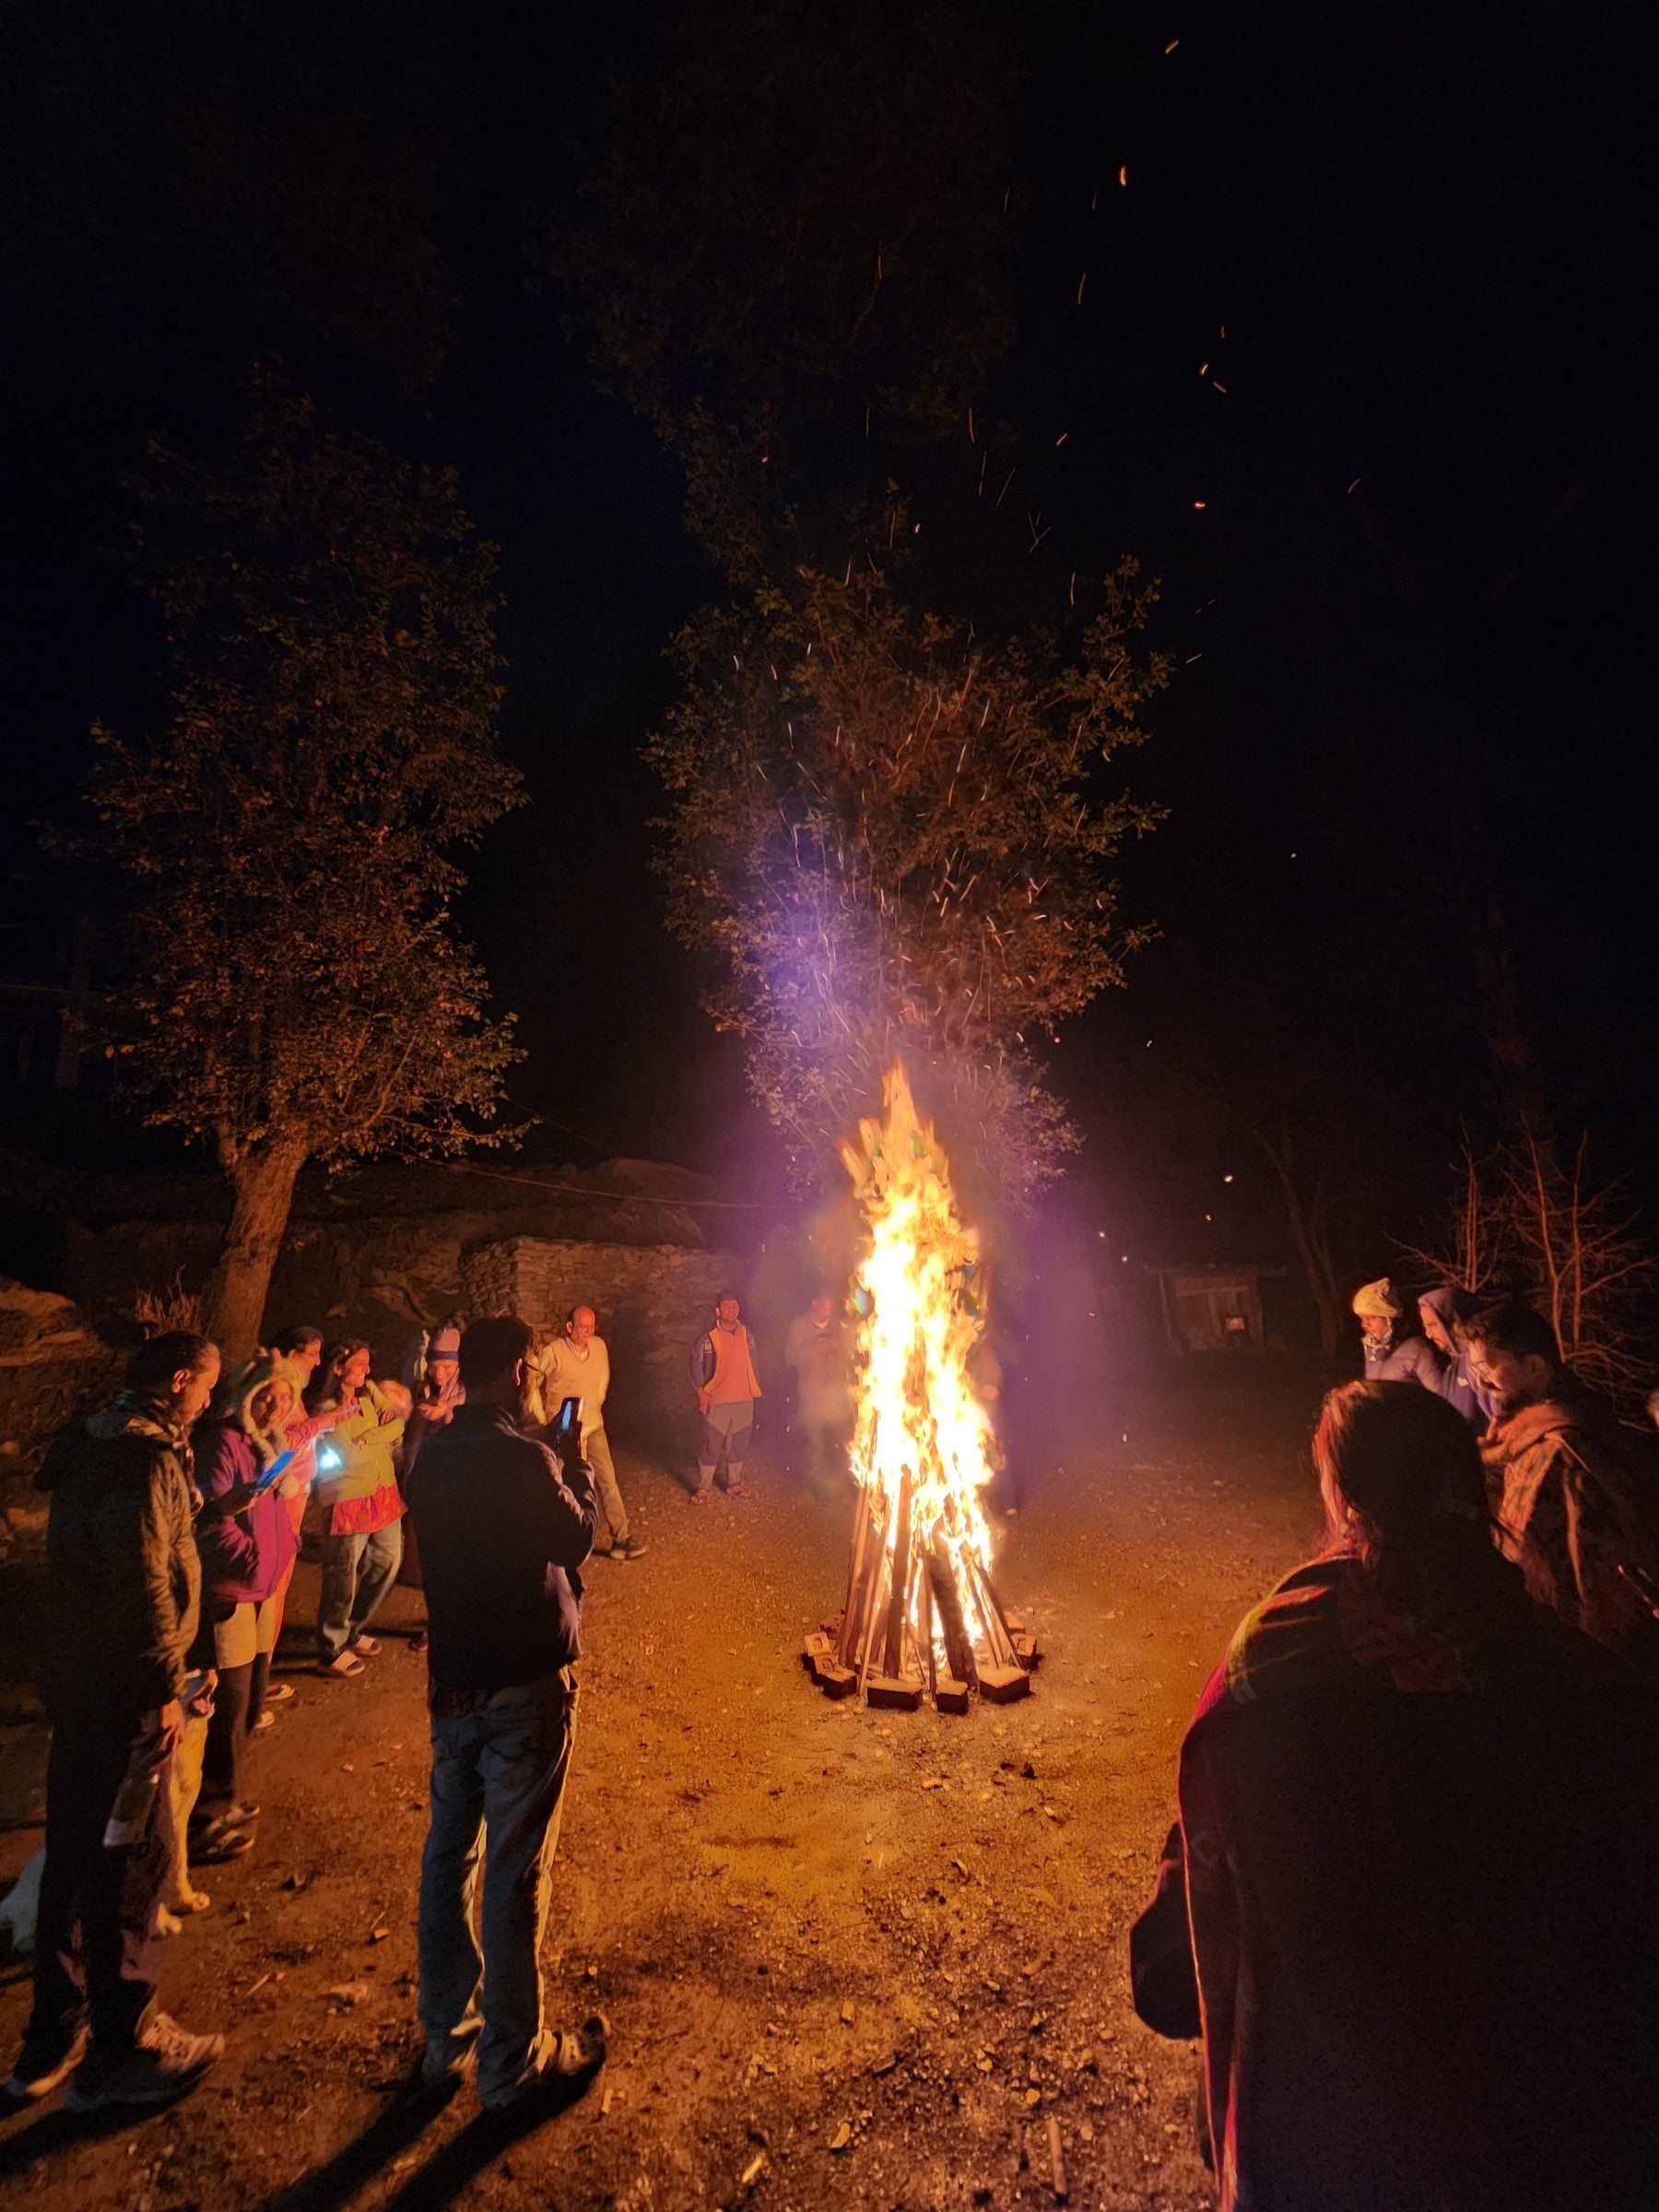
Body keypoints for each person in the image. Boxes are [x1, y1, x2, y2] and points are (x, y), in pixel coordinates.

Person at [1130, 1381, 1659, 2211]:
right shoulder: (1583, 1686)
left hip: (1330, 2144)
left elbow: (1170, 1969)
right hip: (1544, 2139)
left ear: (1343, 1501)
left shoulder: (1269, 1677)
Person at [5, 1333, 227, 2112]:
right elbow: (143, 1581)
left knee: (70, 1857)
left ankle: (52, 2034)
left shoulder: (95, 1443)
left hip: (79, 1689)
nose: (208, 1401)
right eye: (204, 1387)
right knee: (129, 1859)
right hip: (126, 1698)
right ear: (177, 1382)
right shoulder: (146, 1461)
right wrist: (164, 1686)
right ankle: (121, 2048)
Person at [403, 1316, 607, 2112]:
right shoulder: (524, 1458)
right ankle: (511, 2064)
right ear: (519, 1371)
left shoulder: (433, 1455)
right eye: (529, 1370)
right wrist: (576, 1463)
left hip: (455, 1683)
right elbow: (578, 1538)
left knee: (448, 1858)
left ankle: (444, 2040)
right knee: (515, 1873)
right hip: (523, 1684)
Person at [1465, 1298, 1659, 1666]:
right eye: (1473, 1367)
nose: (1479, 1379)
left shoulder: (1561, 1448)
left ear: (1535, 1366)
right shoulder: (1524, 1436)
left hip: (1584, 1655)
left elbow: (1582, 1576)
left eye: (1487, 1365)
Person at [186, 1357, 302, 1862]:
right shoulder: (222, 1444)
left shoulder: (270, 1443)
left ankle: (225, 1793)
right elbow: (212, 1521)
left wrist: (286, 1546)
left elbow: (272, 1508)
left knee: (251, 1701)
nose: (275, 1405)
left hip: (261, 1589)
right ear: (244, 1396)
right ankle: (204, 1819)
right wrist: (254, 1562)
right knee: (226, 1707)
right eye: (265, 1395)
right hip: (233, 1592)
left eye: (283, 1396)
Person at [535, 1304, 645, 1560]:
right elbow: (533, 1381)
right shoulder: (554, 1352)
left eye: (591, 1326)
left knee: (607, 1481)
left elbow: (602, 1378)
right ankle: (555, 1541)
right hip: (565, 1430)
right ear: (569, 1326)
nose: (587, 1331)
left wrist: (595, 1406)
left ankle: (622, 1538)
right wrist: (543, 1417)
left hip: (593, 1426)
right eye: (582, 1326)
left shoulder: (598, 1347)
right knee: (560, 1484)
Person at [397, 1317, 466, 1646]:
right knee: (431, 1561)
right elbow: (410, 1435)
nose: (439, 1373)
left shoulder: (466, 1393)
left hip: (456, 1487)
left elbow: (474, 1431)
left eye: (445, 1367)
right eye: (434, 1365)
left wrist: (448, 1414)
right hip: (428, 1484)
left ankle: (450, 1623)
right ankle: (436, 1621)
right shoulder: (422, 1389)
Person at [688, 1294, 762, 1501]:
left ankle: (734, 1484)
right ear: (718, 1311)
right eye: (726, 1306)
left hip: (744, 1399)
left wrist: (755, 1388)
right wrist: (701, 1391)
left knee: (739, 1444)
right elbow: (695, 1364)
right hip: (717, 1400)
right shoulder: (708, 1337)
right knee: (712, 1444)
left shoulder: (747, 1335)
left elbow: (755, 1362)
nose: (732, 1309)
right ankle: (703, 1486)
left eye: (735, 1306)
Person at [783, 1294, 853, 1498]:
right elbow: (790, 1357)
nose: (827, 1312)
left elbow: (851, 1353)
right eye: (824, 1307)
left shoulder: (838, 1326)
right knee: (815, 1444)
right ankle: (820, 1485)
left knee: (844, 1440)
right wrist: (814, 1349)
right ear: (814, 1304)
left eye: (830, 1308)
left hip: (837, 1394)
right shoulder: (800, 1326)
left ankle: (846, 1483)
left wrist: (839, 1347)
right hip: (811, 1394)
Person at [1417, 1284, 1497, 1429]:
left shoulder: (1478, 1363)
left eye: (1433, 1325)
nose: (1428, 1335)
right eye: (1426, 1326)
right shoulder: (1454, 1365)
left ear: (1454, 1321)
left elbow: (1499, 1421)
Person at [1350, 1276, 1441, 1385]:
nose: (1365, 1325)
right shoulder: (1371, 1351)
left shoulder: (1418, 1350)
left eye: (1371, 1318)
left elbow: (1438, 1396)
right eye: (1362, 1318)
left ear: (1389, 1318)